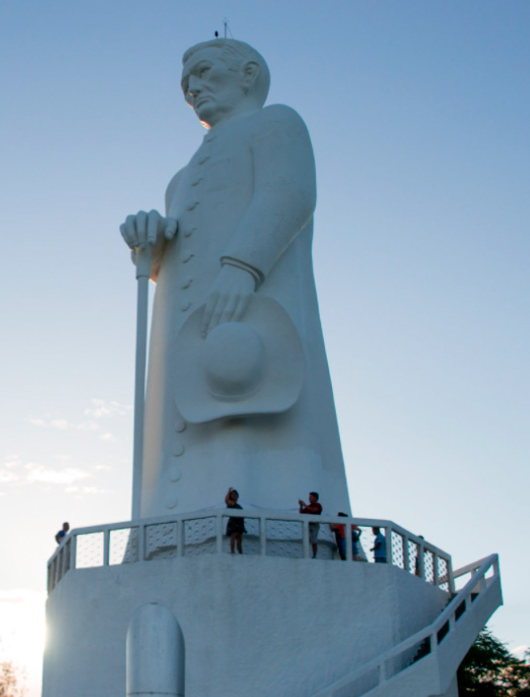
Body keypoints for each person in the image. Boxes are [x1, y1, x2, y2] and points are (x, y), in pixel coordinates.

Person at [119, 39, 350, 519]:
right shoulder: (178, 181)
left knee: (252, 426)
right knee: (181, 425)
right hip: (190, 335)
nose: (193, 91)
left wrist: (244, 266)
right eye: (187, 86)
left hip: (253, 307)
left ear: (247, 74)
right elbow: (174, 260)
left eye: (204, 74)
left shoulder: (276, 123)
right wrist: (155, 245)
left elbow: (288, 194)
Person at [298, 491, 322, 558]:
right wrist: (301, 506)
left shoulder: (318, 505)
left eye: (311, 497)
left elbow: (314, 510)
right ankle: (306, 554)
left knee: (314, 540)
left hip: (314, 524)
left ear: (315, 498)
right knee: (306, 539)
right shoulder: (308, 506)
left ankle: (314, 555)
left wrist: (305, 505)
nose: (309, 499)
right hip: (308, 524)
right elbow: (301, 513)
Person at [224, 487, 246, 554]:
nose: (234, 496)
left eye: (235, 495)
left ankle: (240, 553)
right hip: (233, 523)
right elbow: (226, 501)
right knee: (233, 536)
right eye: (232, 494)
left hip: (239, 523)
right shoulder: (231, 503)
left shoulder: (238, 506)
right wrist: (228, 491)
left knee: (239, 538)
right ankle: (232, 551)